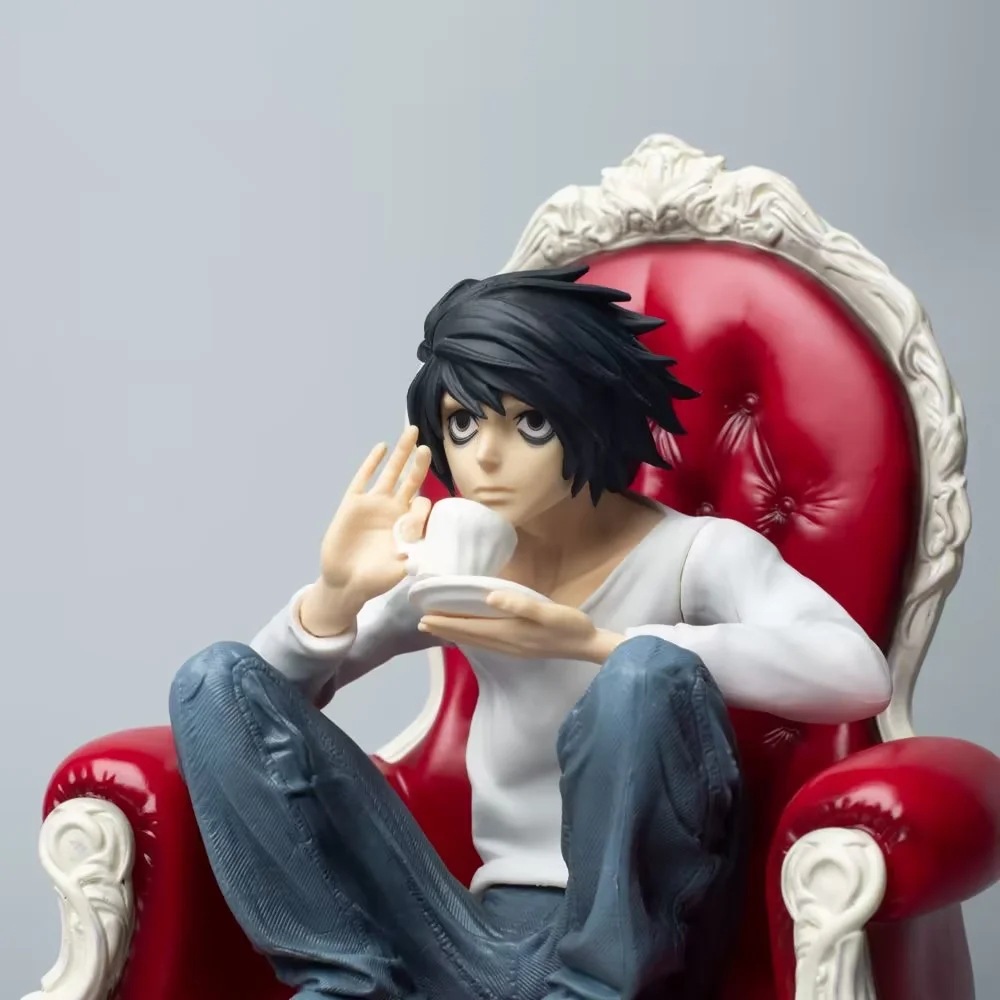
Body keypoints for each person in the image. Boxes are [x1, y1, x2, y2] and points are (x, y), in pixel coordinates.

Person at [169, 266, 892, 1000]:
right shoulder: (461, 564)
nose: (486, 456)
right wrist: (335, 595)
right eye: (463, 423)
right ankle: (344, 985)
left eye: (529, 423)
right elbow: (242, 712)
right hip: (477, 936)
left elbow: (858, 674)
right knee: (210, 676)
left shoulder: (694, 553)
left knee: (645, 672)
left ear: (590, 416)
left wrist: (588, 642)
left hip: (637, 949)